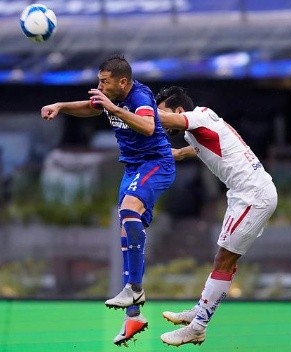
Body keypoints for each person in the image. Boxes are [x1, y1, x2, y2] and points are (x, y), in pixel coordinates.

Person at [40, 55, 176, 346]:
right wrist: (61, 106)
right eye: (99, 79)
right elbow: (91, 109)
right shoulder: (110, 96)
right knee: (126, 231)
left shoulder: (139, 95)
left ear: (122, 81)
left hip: (155, 163)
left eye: (105, 81)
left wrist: (114, 108)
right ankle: (134, 317)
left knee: (128, 212)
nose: (100, 85)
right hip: (131, 168)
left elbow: (149, 126)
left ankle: (135, 288)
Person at [155, 86, 278, 346]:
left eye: (163, 113)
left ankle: (198, 326)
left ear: (179, 111)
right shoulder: (202, 121)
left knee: (224, 260)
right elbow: (211, 147)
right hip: (246, 193)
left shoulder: (196, 118)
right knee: (224, 259)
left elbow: (161, 121)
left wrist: (121, 109)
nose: (161, 120)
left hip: (252, 194)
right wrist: (177, 154)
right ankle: (200, 312)